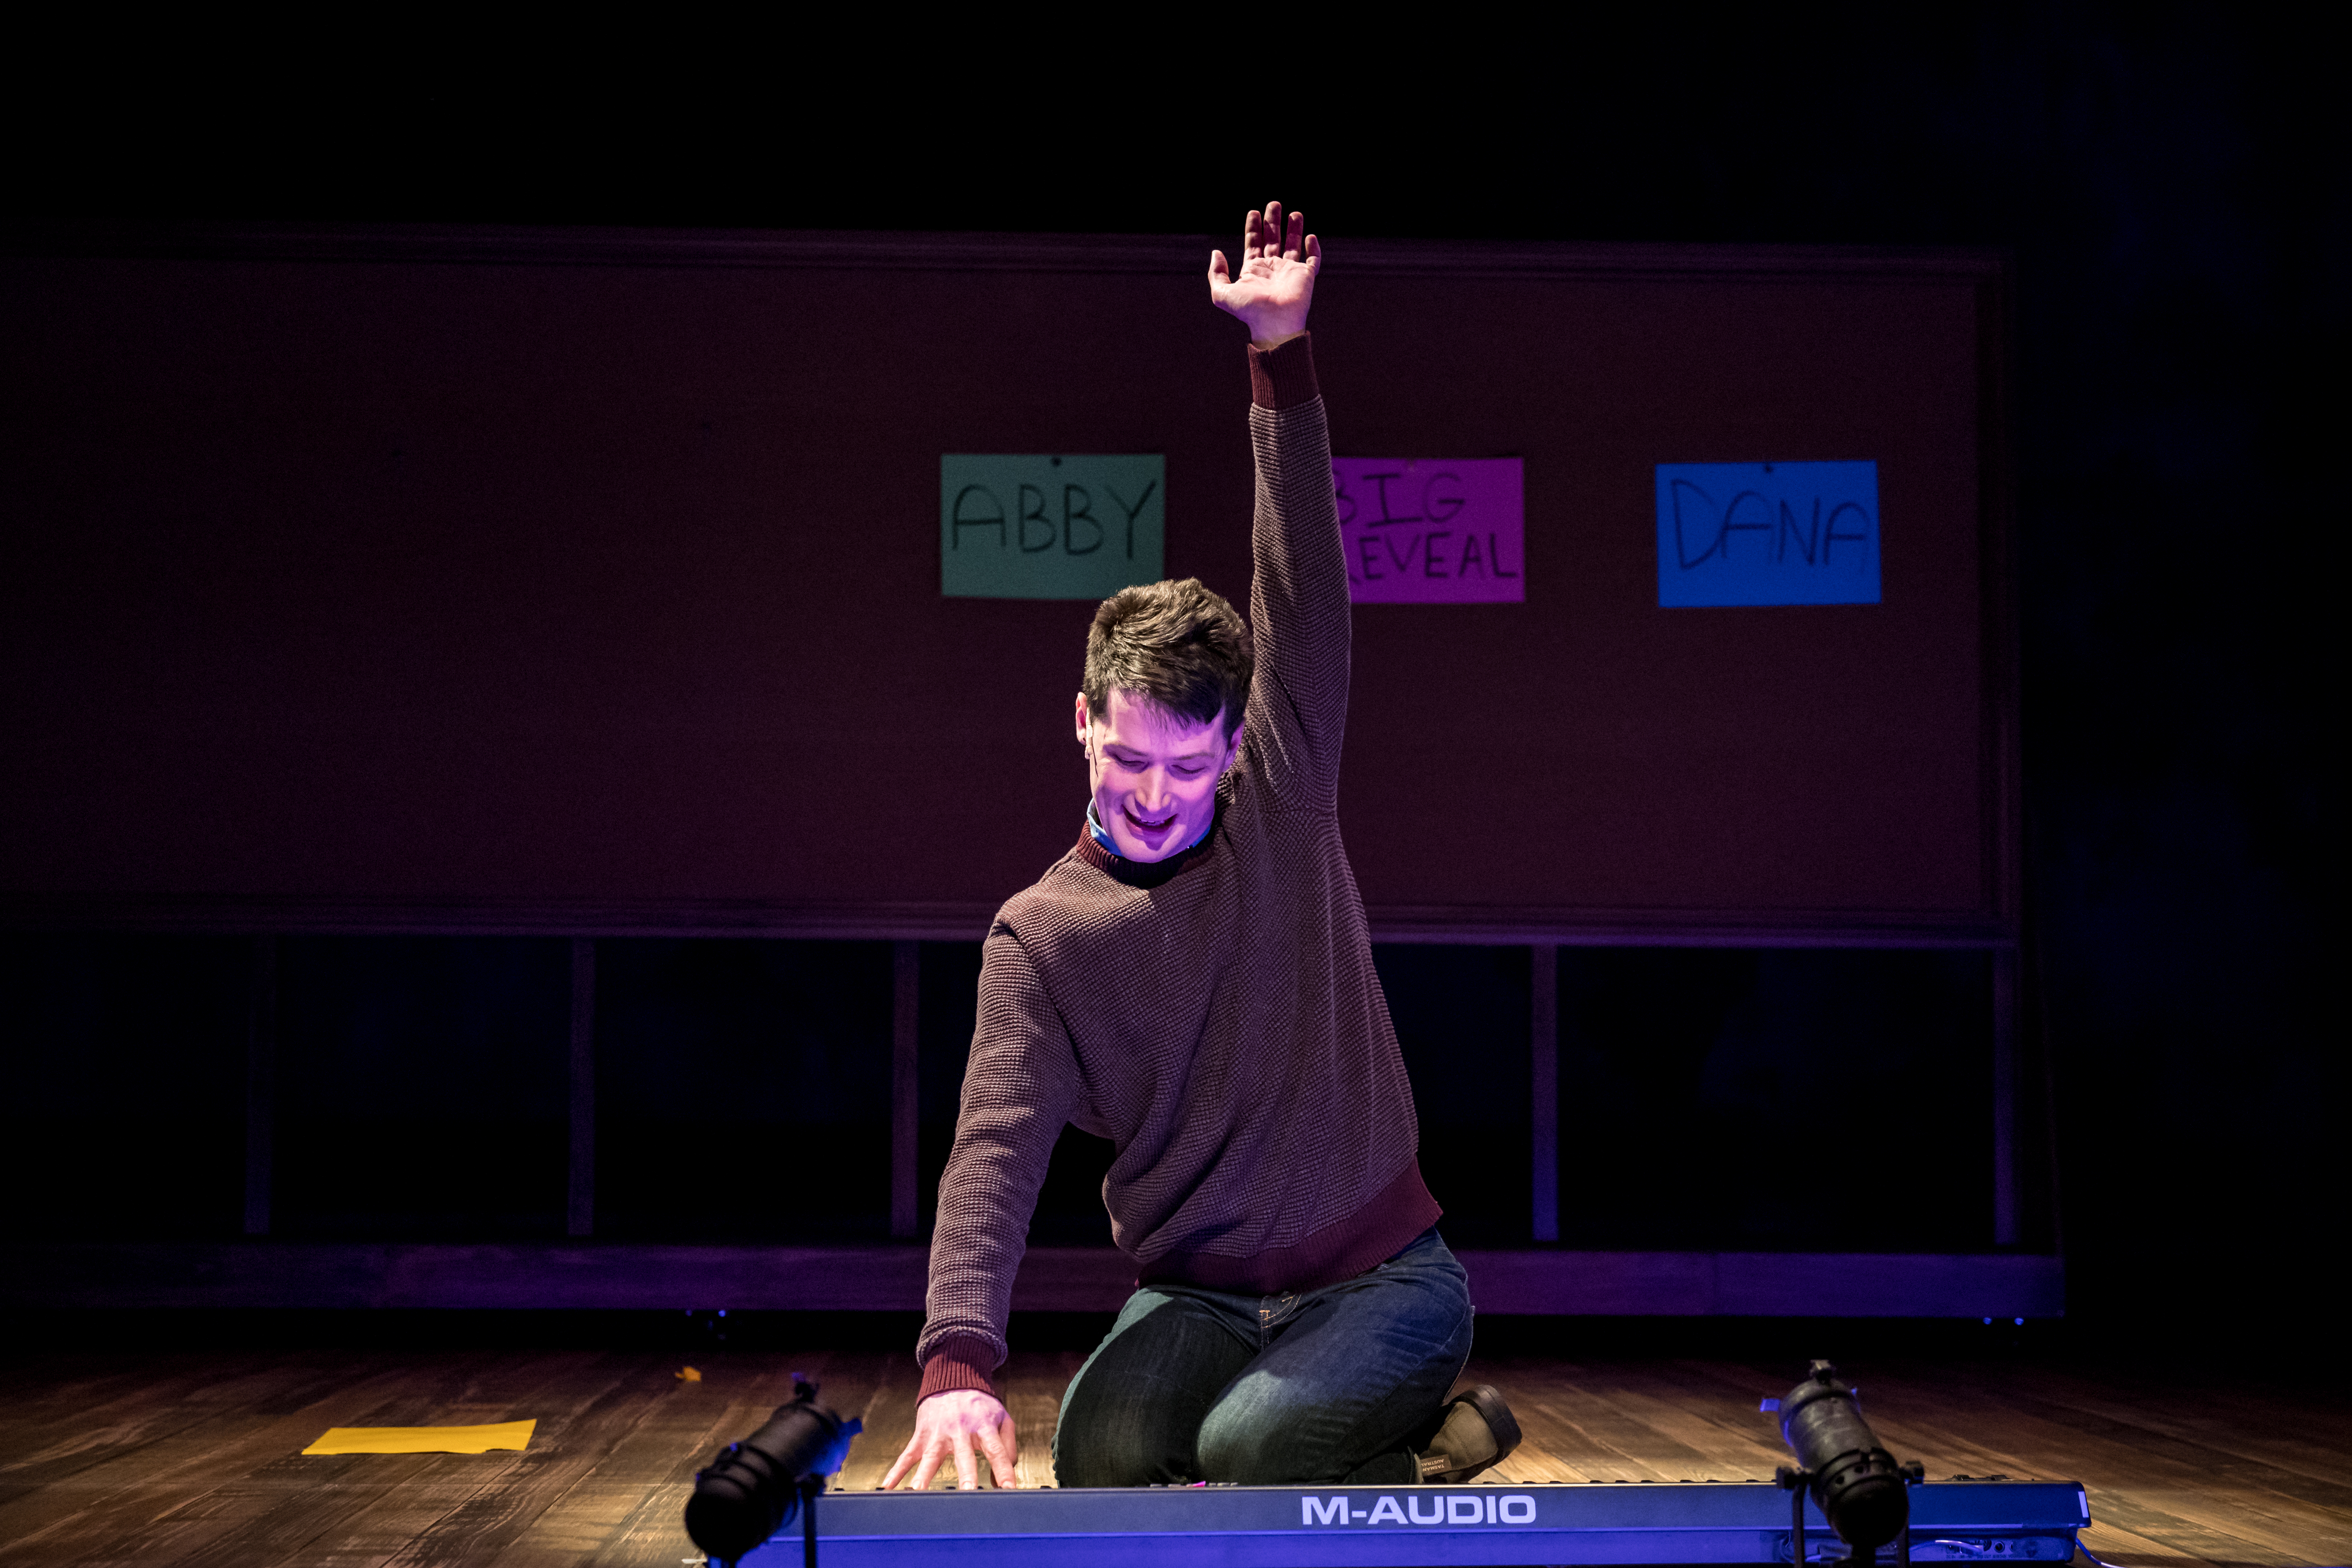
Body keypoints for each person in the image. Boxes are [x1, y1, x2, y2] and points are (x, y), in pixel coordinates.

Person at [881, 201, 1519, 1493]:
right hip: (1206, 1299)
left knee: (1248, 1448)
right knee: (1100, 1455)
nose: (1156, 795)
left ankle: (1415, 1428)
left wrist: (1280, 357)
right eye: (1127, 758)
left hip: (1384, 1283)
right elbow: (992, 1151)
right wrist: (959, 1364)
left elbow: (1308, 600)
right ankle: (1357, 1438)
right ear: (1080, 724)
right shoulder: (1044, 936)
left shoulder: (1279, 803)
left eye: (1187, 764)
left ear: (1234, 749)